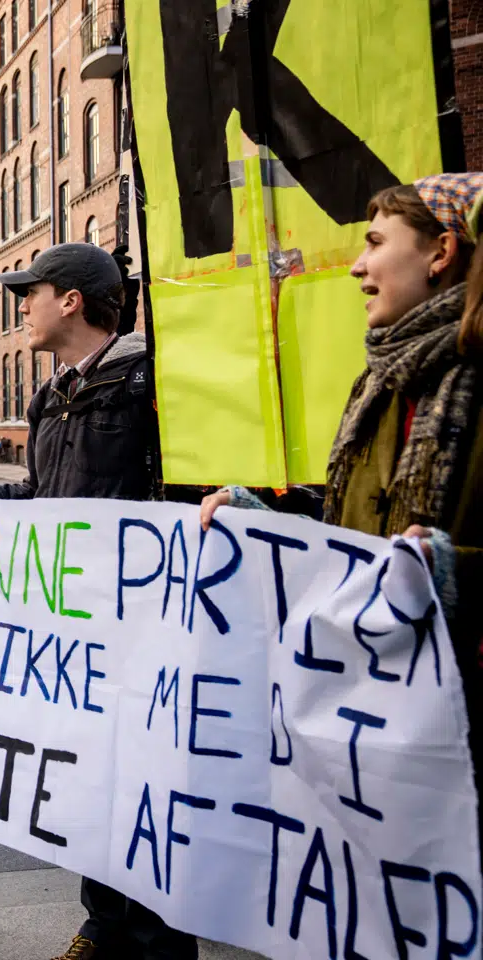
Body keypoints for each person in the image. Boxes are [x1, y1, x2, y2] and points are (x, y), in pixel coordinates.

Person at [0, 243, 188, 960]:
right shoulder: (51, 396)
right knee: (91, 781)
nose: (20, 305)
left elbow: (178, 498)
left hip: (138, 628)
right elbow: (44, 502)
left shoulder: (145, 384)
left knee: (142, 789)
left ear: (71, 300)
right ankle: (104, 921)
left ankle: (155, 940)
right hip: (76, 630)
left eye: (30, 292)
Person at [201, 174, 483, 832]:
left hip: (457, 729)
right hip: (382, 723)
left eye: (376, 242)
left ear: (440, 253)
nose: (357, 265)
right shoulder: (379, 384)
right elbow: (348, 530)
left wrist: (449, 571)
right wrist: (262, 521)